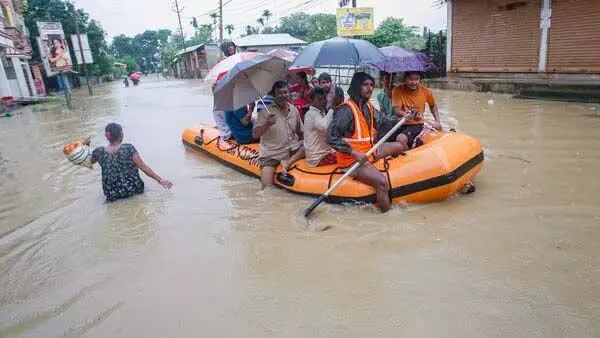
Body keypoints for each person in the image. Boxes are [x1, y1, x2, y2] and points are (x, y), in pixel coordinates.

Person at [327, 72, 410, 212]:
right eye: (365, 85)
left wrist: (403, 118)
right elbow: (331, 137)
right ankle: (386, 217)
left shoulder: (368, 106)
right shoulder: (346, 110)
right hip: (353, 160)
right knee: (382, 183)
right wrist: (354, 153)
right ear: (357, 86)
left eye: (371, 85)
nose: (370, 88)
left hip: (370, 151)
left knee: (400, 146)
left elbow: (384, 122)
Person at [84, 123, 173, 202]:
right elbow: (142, 166)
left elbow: (87, 162)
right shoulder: (128, 148)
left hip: (112, 195)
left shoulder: (99, 151)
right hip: (133, 190)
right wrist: (160, 180)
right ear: (121, 135)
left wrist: (86, 146)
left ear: (107, 137)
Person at [253, 81, 305, 188]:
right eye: (279, 93)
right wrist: (267, 124)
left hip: (291, 151)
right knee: (267, 188)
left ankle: (287, 162)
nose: (283, 95)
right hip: (271, 155)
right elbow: (255, 134)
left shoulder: (294, 110)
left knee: (307, 145)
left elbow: (302, 132)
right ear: (274, 95)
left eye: (285, 92)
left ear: (289, 94)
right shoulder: (265, 111)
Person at [391, 71, 442, 150]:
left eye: (417, 79)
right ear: (405, 79)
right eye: (411, 79)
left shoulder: (426, 91)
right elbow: (397, 110)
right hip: (400, 122)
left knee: (401, 139)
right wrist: (405, 114)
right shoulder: (397, 90)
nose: (414, 82)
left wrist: (437, 121)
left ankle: (408, 156)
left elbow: (433, 105)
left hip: (416, 124)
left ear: (419, 79)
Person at [303, 87, 337, 167]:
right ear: (311, 101)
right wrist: (332, 108)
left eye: (324, 98)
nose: (323, 101)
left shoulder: (320, 113)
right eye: (319, 99)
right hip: (319, 158)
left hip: (322, 154)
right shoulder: (312, 113)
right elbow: (324, 127)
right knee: (348, 158)